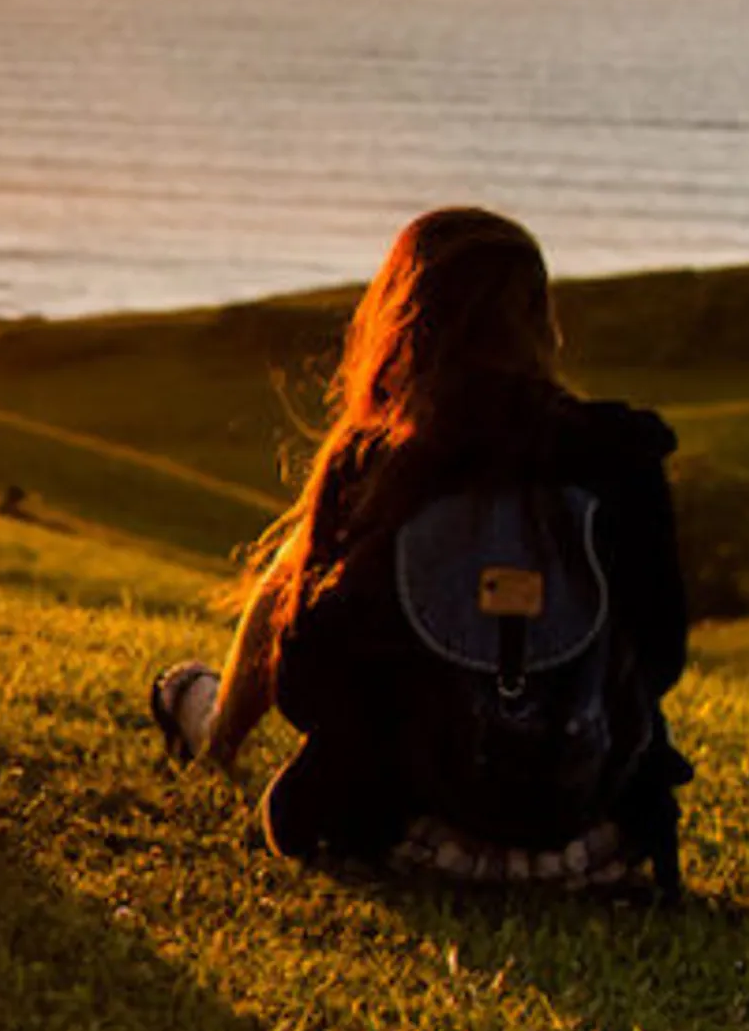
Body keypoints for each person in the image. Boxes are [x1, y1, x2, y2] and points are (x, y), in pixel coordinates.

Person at [150, 206, 691, 894]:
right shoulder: (622, 455)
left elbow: (305, 685)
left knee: (291, 571)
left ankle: (210, 726)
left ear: (402, 321)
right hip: (596, 843)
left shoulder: (376, 464)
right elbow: (662, 656)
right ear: (540, 318)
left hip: (394, 838)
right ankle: (209, 718)